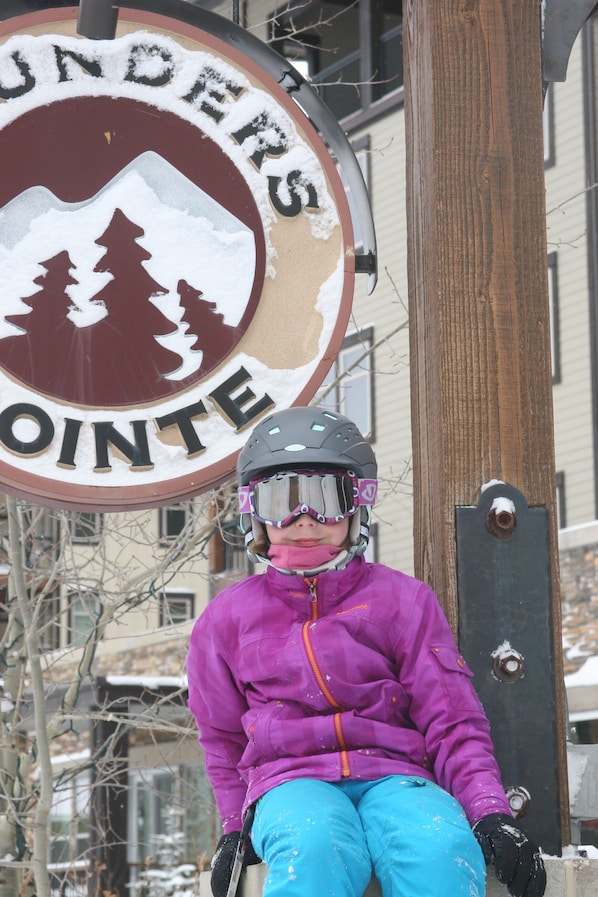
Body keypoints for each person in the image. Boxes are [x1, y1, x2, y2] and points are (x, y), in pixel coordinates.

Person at [187, 406, 546, 897]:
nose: (304, 519)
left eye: (325, 499)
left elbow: (452, 718)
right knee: (314, 849)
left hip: (396, 775)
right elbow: (222, 737)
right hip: (290, 780)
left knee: (438, 848)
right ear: (255, 511)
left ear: (357, 505)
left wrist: (489, 810)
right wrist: (234, 828)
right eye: (283, 501)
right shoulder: (226, 620)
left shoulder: (401, 601)